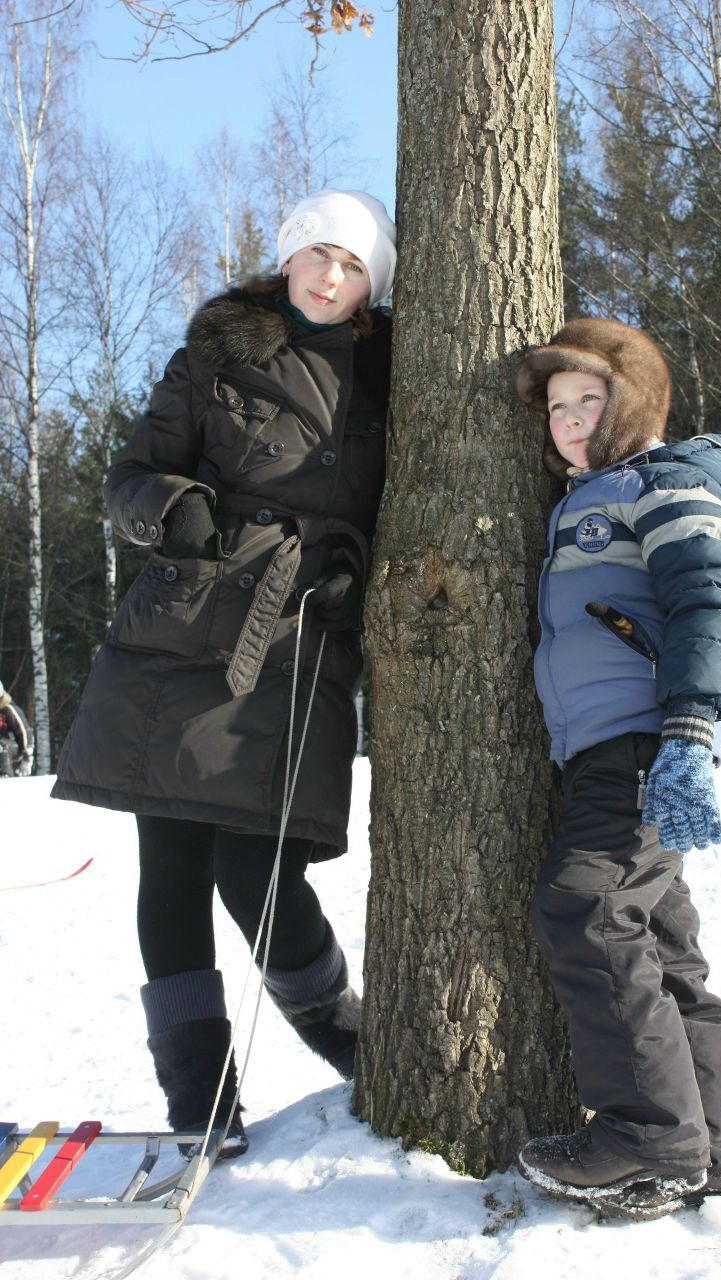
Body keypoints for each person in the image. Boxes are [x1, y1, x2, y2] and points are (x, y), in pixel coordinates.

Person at [52, 189, 396, 1159]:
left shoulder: (388, 370)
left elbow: (407, 503)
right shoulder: (216, 353)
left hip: (298, 638)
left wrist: (352, 567)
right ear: (288, 257)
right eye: (317, 254)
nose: (331, 276)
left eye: (353, 264)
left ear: (372, 284)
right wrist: (175, 508)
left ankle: (351, 1039)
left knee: (258, 865)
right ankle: (200, 1101)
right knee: (170, 872)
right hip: (182, 631)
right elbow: (130, 477)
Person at [513, 318, 721, 1221]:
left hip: (646, 742)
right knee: (663, 947)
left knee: (586, 904)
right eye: (557, 406)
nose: (572, 419)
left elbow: (706, 601)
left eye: (591, 397)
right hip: (604, 748)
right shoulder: (591, 495)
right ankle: (719, 1162)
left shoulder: (662, 480)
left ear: (637, 400)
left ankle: (648, 1141)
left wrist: (690, 732)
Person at [0, 679, 33, 777]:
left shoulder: (9, 710)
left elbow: (24, 732)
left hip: (13, 747)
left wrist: (27, 756)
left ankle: (5, 776)